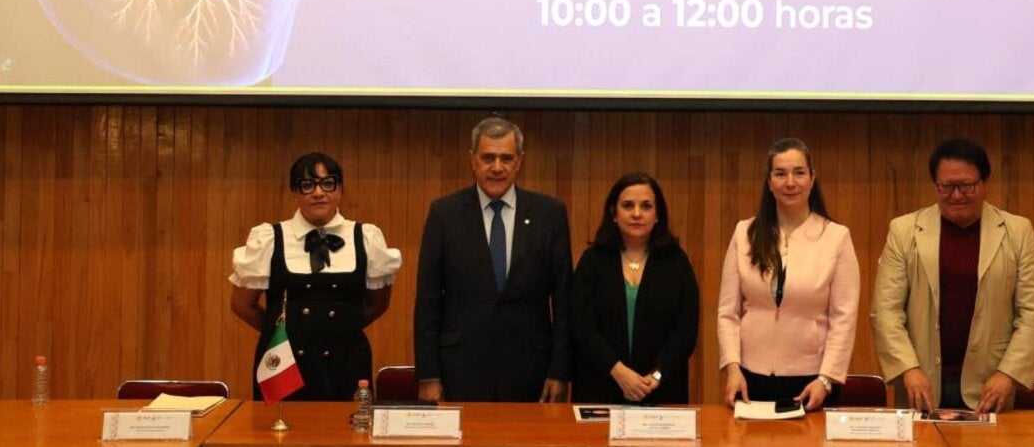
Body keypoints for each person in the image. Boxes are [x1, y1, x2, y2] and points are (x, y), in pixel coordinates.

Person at [870, 138, 1034, 413]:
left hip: (992, 387)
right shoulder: (904, 230)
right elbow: (885, 311)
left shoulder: (1018, 231)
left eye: (966, 186)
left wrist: (1008, 374)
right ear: (935, 185)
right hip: (921, 384)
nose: (956, 195)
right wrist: (908, 368)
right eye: (947, 186)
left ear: (985, 181)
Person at [414, 117, 572, 401]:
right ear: (473, 160)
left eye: (506, 158)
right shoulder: (444, 214)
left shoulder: (550, 214)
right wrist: (428, 375)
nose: (497, 167)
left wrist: (559, 372)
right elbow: (427, 301)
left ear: (519, 161)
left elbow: (564, 300)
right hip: (461, 368)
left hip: (531, 369)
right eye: (488, 158)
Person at [229, 152, 402, 401]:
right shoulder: (268, 237)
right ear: (295, 191)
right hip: (284, 366)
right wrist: (285, 330)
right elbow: (241, 305)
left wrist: (340, 329)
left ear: (340, 189)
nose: (318, 192)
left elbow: (378, 304)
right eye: (307, 184)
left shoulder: (367, 237)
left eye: (327, 183)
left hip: (347, 365)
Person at [717, 137, 860, 411]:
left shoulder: (836, 237)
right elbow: (727, 312)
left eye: (799, 172)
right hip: (749, 379)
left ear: (812, 177)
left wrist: (826, 379)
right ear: (769, 182)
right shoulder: (745, 233)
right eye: (780, 174)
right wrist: (732, 368)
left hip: (811, 383)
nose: (790, 182)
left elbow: (844, 317)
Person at [570, 172, 699, 405]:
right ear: (614, 213)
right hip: (601, 386)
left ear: (658, 214)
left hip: (660, 390)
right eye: (628, 205)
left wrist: (656, 375)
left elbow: (686, 330)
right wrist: (619, 372)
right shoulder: (593, 260)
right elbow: (581, 326)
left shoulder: (676, 261)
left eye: (646, 206)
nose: (637, 214)